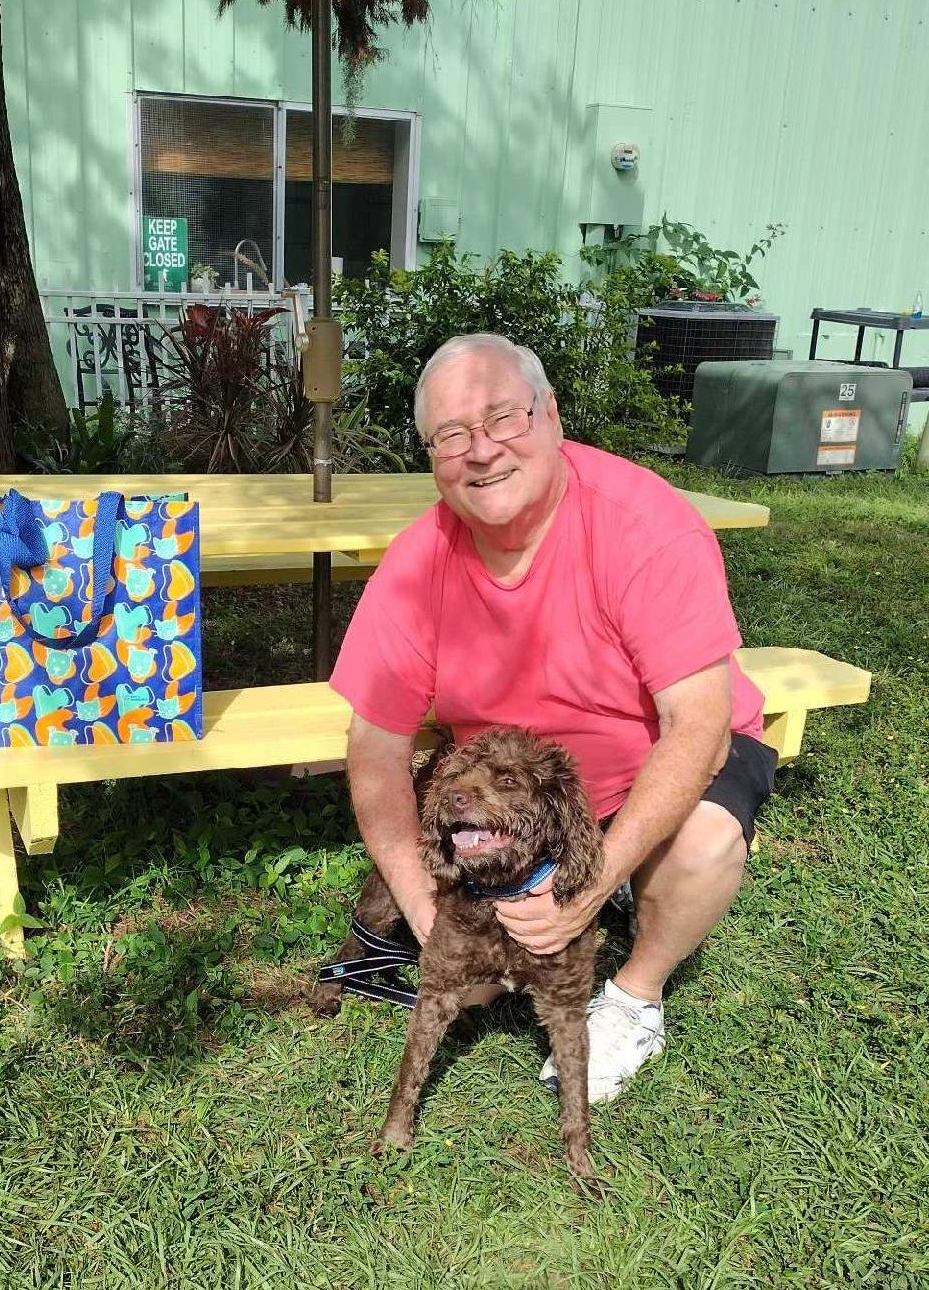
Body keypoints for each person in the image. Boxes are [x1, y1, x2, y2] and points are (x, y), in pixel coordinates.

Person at [328, 333, 778, 1104]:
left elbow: (698, 730)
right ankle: (581, 899)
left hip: (656, 761)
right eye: (451, 435)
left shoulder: (645, 525)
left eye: (504, 418)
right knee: (467, 983)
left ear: (553, 416)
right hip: (518, 794)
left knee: (702, 843)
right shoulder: (417, 562)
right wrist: (428, 913)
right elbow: (374, 754)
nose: (482, 451)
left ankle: (635, 994)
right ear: (431, 455)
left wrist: (587, 885)